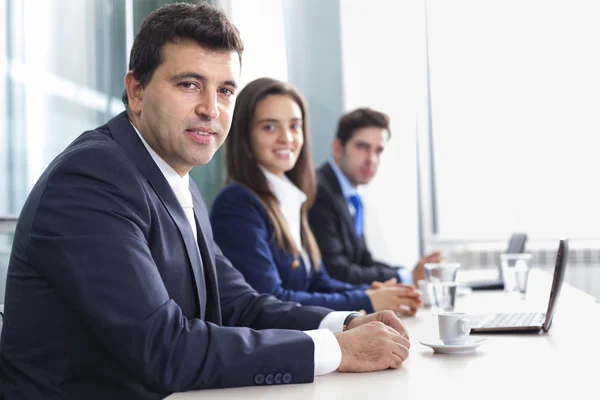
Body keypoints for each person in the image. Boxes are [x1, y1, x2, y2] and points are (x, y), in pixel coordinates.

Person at [0, 4, 411, 400]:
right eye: (189, 84)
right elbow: (163, 347)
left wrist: (347, 323)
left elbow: (239, 303)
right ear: (136, 91)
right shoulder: (93, 177)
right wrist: (338, 351)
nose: (210, 108)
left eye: (226, 90)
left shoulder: (180, 183)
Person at [210, 78, 422, 317]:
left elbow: (317, 281)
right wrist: (366, 299)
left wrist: (373, 292)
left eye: (294, 126)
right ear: (245, 135)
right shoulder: (237, 203)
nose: (287, 138)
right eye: (270, 127)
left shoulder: (291, 198)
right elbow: (269, 300)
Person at [308, 108, 441, 285]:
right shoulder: (319, 191)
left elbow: (363, 260)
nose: (371, 159)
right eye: (362, 147)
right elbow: (336, 270)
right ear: (337, 148)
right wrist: (406, 278)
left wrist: (407, 272)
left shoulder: (351, 196)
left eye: (378, 150)